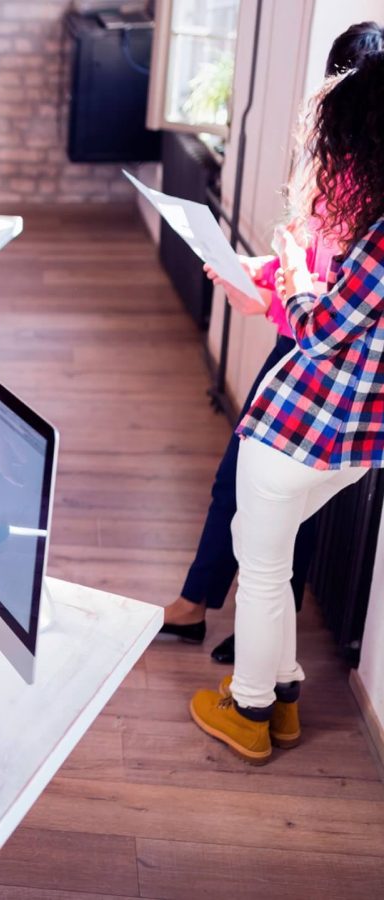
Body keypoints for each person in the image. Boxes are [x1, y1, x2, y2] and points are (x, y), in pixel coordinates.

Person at [159, 21, 384, 664]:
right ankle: (203, 606)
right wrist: (259, 269)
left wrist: (268, 292)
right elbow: (305, 260)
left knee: (277, 505)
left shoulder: (367, 194)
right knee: (238, 486)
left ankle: (250, 638)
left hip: (316, 362)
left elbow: (326, 303)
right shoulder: (342, 169)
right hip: (298, 347)